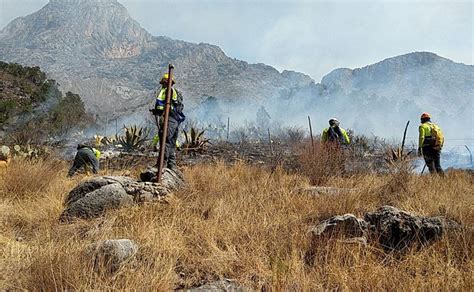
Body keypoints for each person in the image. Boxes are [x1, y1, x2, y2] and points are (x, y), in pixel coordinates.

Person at [151, 73, 185, 170]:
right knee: (171, 143)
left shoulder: (167, 91)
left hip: (169, 119)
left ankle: (161, 164)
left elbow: (162, 106)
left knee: (165, 140)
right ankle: (171, 166)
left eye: (163, 83)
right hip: (175, 120)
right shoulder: (176, 92)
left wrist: (157, 111)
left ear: (165, 82)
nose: (162, 85)